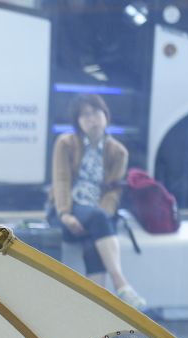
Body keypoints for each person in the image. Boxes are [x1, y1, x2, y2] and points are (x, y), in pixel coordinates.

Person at [49, 93, 147, 310]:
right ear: (78, 122)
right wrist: (65, 214)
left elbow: (112, 193)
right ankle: (121, 284)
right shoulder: (65, 143)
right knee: (99, 222)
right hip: (66, 209)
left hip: (95, 213)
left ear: (106, 115)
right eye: (85, 115)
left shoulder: (118, 151)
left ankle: (97, 311)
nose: (92, 119)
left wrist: (101, 213)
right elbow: (61, 180)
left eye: (96, 113)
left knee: (96, 235)